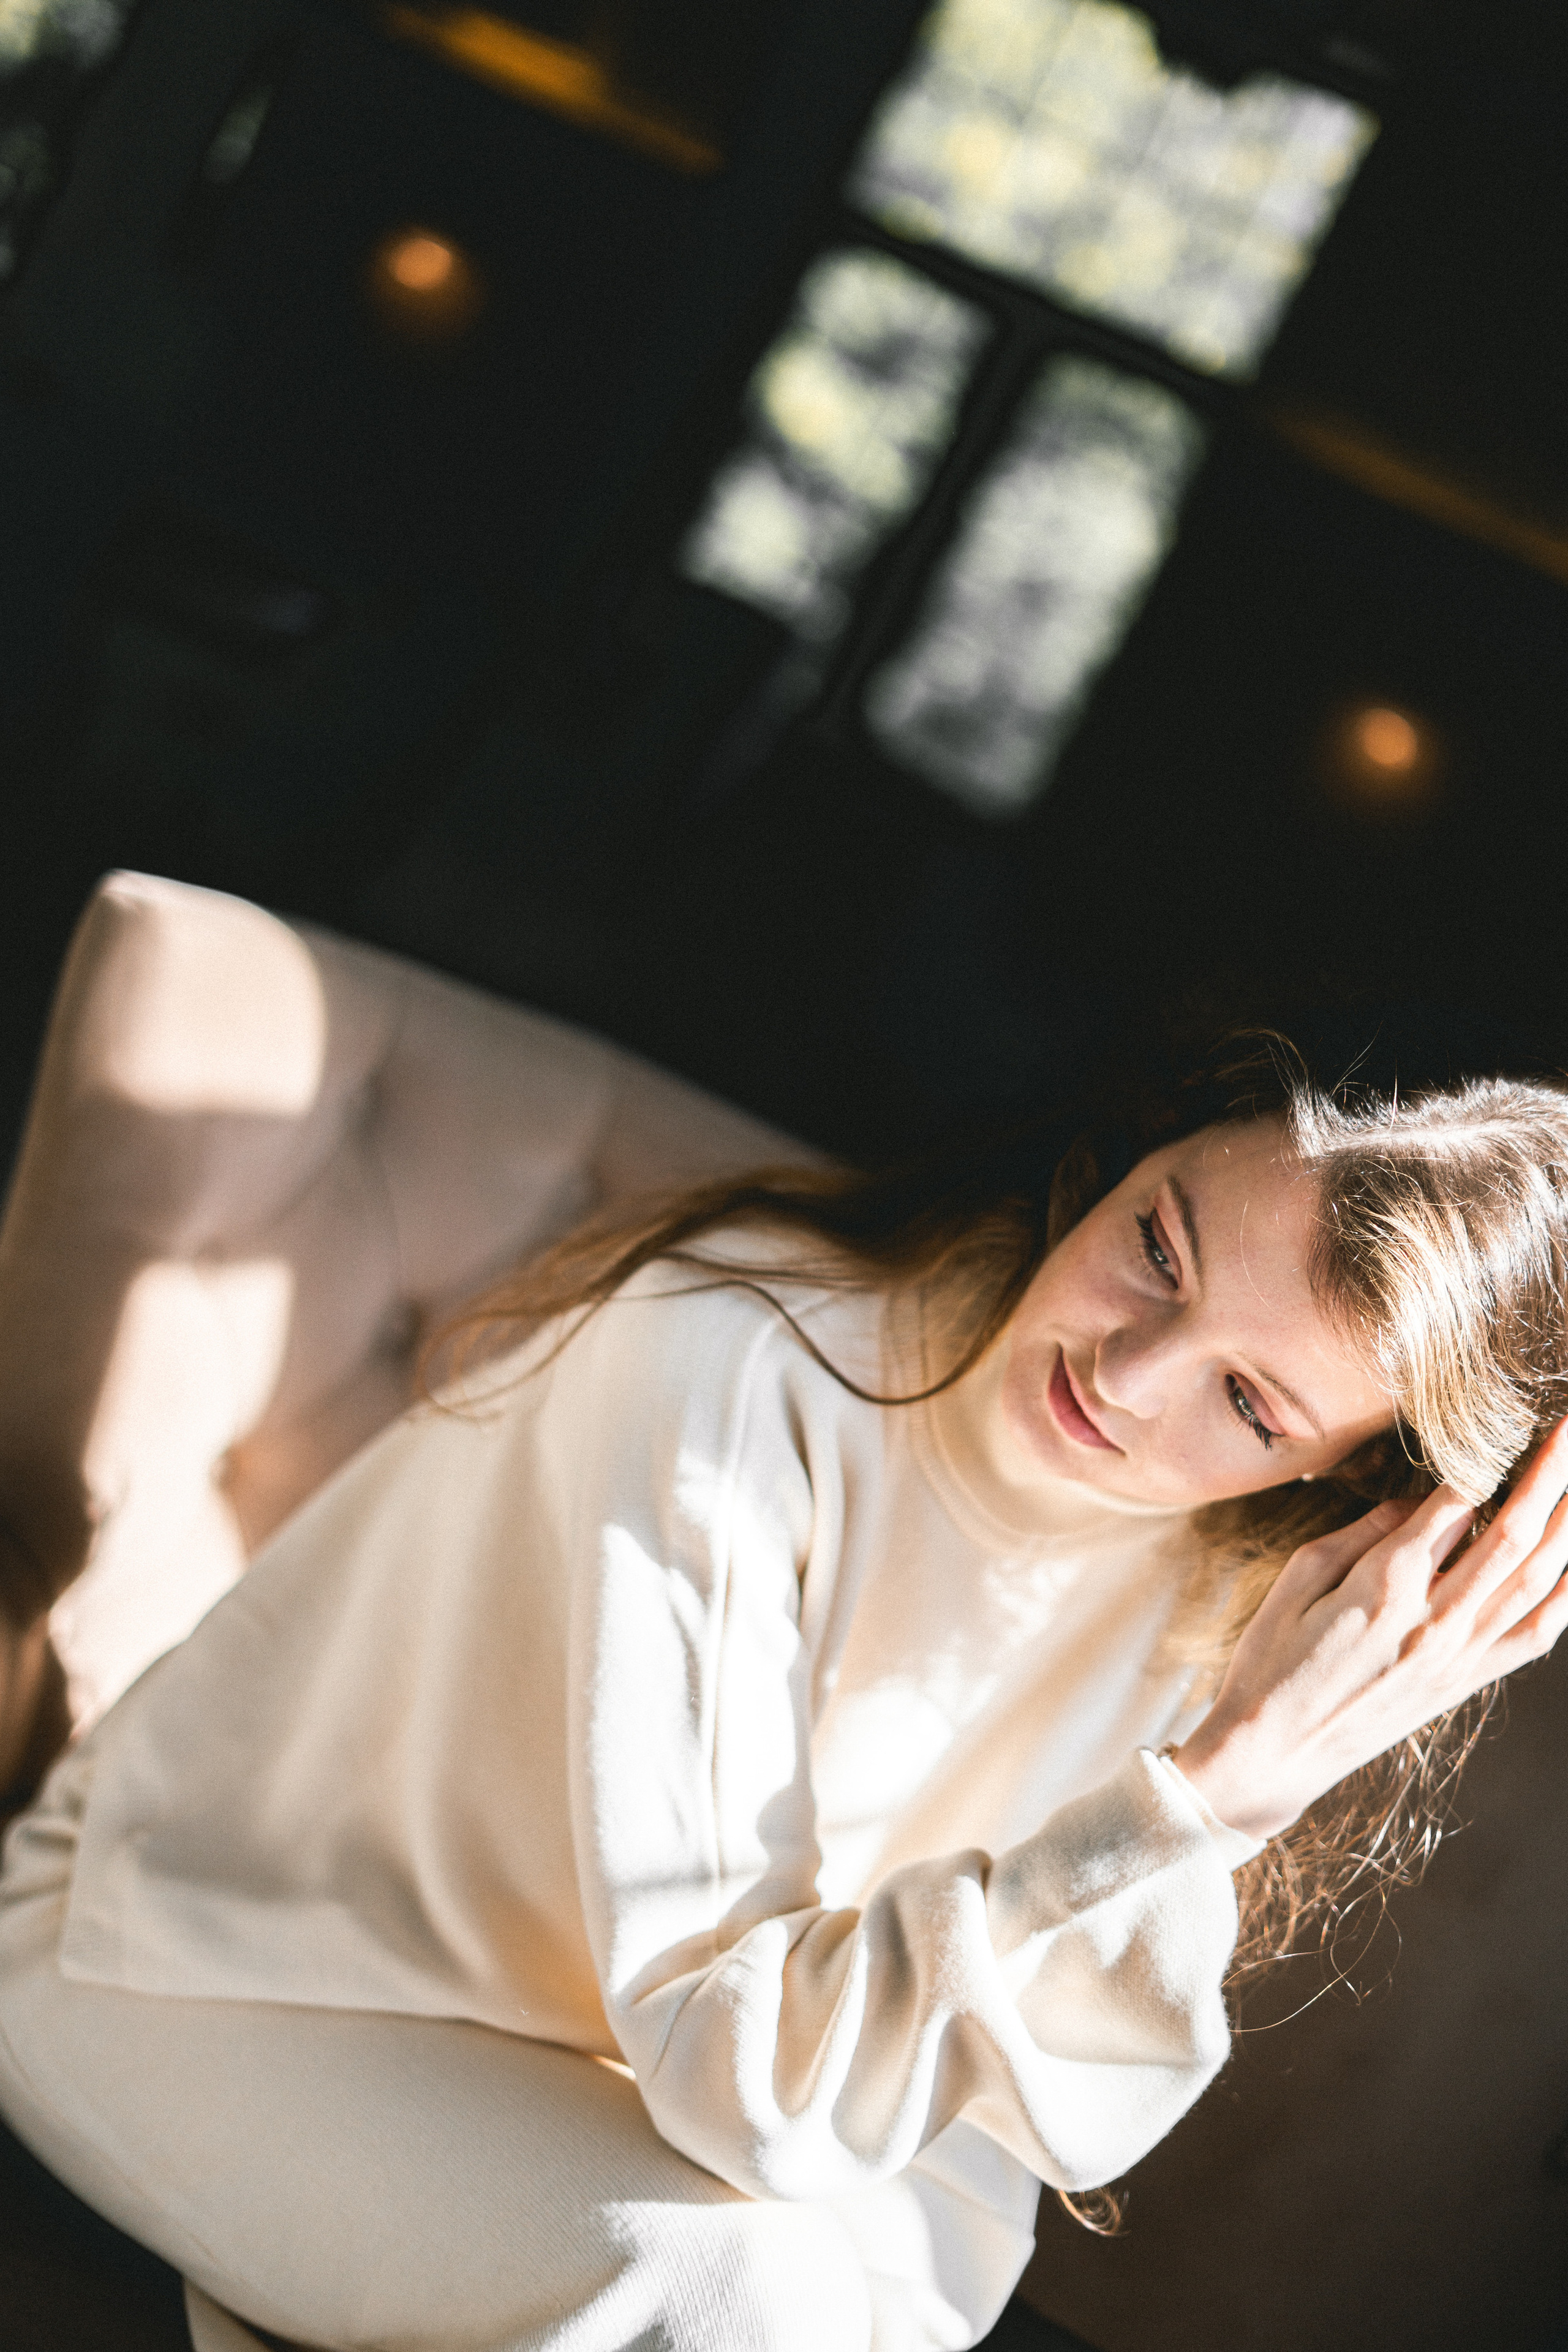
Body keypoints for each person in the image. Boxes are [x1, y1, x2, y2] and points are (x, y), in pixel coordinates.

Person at [0, 1029, 1565, 2352]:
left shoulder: (1209, 1592)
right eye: (1159, 1248)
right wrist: (1209, 1798)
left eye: (1248, 1400)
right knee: (734, 2308)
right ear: (1133, 1155)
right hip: (192, 1949)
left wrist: (1232, 1771)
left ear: (1341, 1481)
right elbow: (734, 2072)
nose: (1126, 1374)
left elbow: (961, 2192)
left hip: (613, 2099)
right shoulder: (725, 1356)